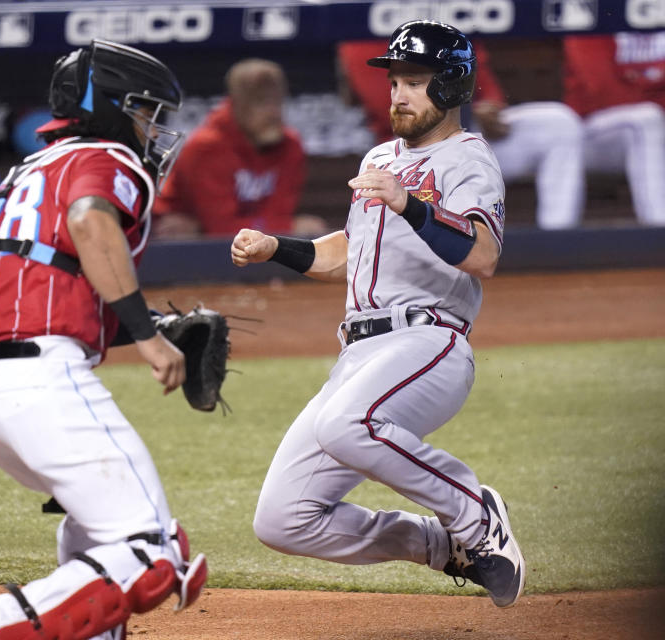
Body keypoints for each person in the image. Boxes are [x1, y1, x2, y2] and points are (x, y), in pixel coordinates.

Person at [232, 20, 526, 608]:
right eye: (395, 81)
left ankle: (474, 511)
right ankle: (442, 545)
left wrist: (411, 204)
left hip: (428, 341)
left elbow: (483, 254)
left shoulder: (467, 158)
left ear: (451, 87)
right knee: (283, 519)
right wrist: (277, 247)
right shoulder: (380, 156)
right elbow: (346, 252)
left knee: (346, 424)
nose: (398, 94)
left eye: (415, 82)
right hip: (359, 354)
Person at [0, 40, 207, 640]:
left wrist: (153, 328)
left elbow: (54, 285)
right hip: (38, 381)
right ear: (107, 106)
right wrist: (148, 337)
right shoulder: (109, 155)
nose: (152, 129)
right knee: (154, 551)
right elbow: (90, 222)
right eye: (144, 111)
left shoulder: (28, 171)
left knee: (106, 528)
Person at [338, 39, 585, 230]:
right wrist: (463, 110)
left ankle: (557, 235)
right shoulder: (363, 36)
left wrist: (490, 108)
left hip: (469, 137)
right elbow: (397, 113)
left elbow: (485, 87)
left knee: (558, 124)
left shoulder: (448, 22)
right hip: (408, 158)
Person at [153, 58, 328, 238]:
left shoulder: (290, 146)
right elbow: (220, 230)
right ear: (236, 105)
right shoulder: (206, 148)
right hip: (178, 246)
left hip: (245, 243)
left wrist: (280, 226)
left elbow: (278, 215)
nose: (273, 112)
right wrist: (288, 227)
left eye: (277, 101)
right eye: (261, 102)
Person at [564, 31, 665, 226]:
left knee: (649, 119)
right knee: (646, 120)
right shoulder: (600, 11)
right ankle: (659, 228)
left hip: (653, 124)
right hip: (595, 133)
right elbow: (606, 94)